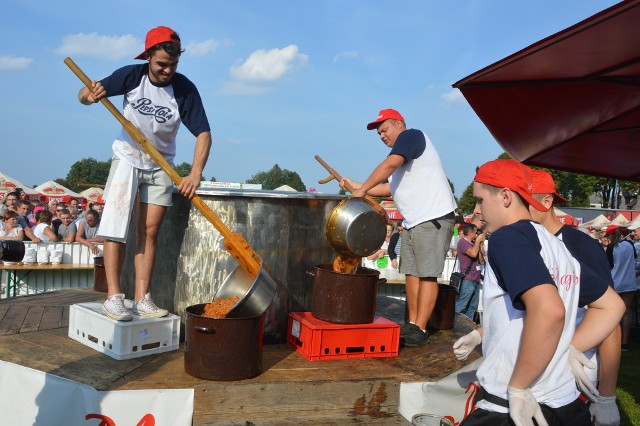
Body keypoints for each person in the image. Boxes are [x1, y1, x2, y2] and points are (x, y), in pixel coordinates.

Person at [455, 159, 622, 426]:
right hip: (563, 403)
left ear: (506, 196)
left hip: (512, 405)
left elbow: (549, 310)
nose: (476, 210)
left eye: (480, 200)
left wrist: (519, 386)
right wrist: (572, 347)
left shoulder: (506, 238)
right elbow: (612, 306)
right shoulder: (555, 246)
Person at [77, 25, 212, 321]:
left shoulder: (184, 89)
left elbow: (203, 133)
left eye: (173, 65)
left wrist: (195, 174)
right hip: (128, 156)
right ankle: (114, 297)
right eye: (162, 64)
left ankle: (142, 299)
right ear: (149, 56)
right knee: (115, 227)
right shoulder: (131, 76)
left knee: (149, 233)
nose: (167, 70)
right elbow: (84, 95)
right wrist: (90, 95)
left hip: (161, 164)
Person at [341, 109, 457, 346]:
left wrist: (361, 191)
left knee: (427, 275)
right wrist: (356, 185)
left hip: (433, 217)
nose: (382, 136)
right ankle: (412, 324)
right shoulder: (403, 159)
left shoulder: (411, 137)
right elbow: (386, 189)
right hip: (414, 222)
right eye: (379, 133)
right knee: (412, 274)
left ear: (399, 124)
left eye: (385, 129)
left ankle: (420, 327)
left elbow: (389, 165)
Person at [527, 170, 622, 425]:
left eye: (523, 201)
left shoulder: (580, 246)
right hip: (538, 367)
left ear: (546, 202)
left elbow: (610, 319)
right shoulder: (528, 242)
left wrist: (607, 398)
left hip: (576, 372)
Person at [604, 225, 636, 353]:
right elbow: (634, 260)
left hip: (616, 282)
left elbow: (608, 266)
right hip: (629, 282)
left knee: (614, 313)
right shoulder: (630, 245)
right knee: (627, 313)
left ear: (611, 235)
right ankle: (625, 343)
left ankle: (614, 341)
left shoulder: (612, 248)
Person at [453, 222, 484, 321]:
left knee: (472, 308)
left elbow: (481, 260)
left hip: (476, 280)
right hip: (468, 279)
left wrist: (480, 244)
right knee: (461, 305)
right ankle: (452, 322)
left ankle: (468, 328)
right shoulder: (462, 242)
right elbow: (473, 254)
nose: (476, 235)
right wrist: (477, 242)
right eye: (475, 232)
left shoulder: (473, 244)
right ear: (470, 233)